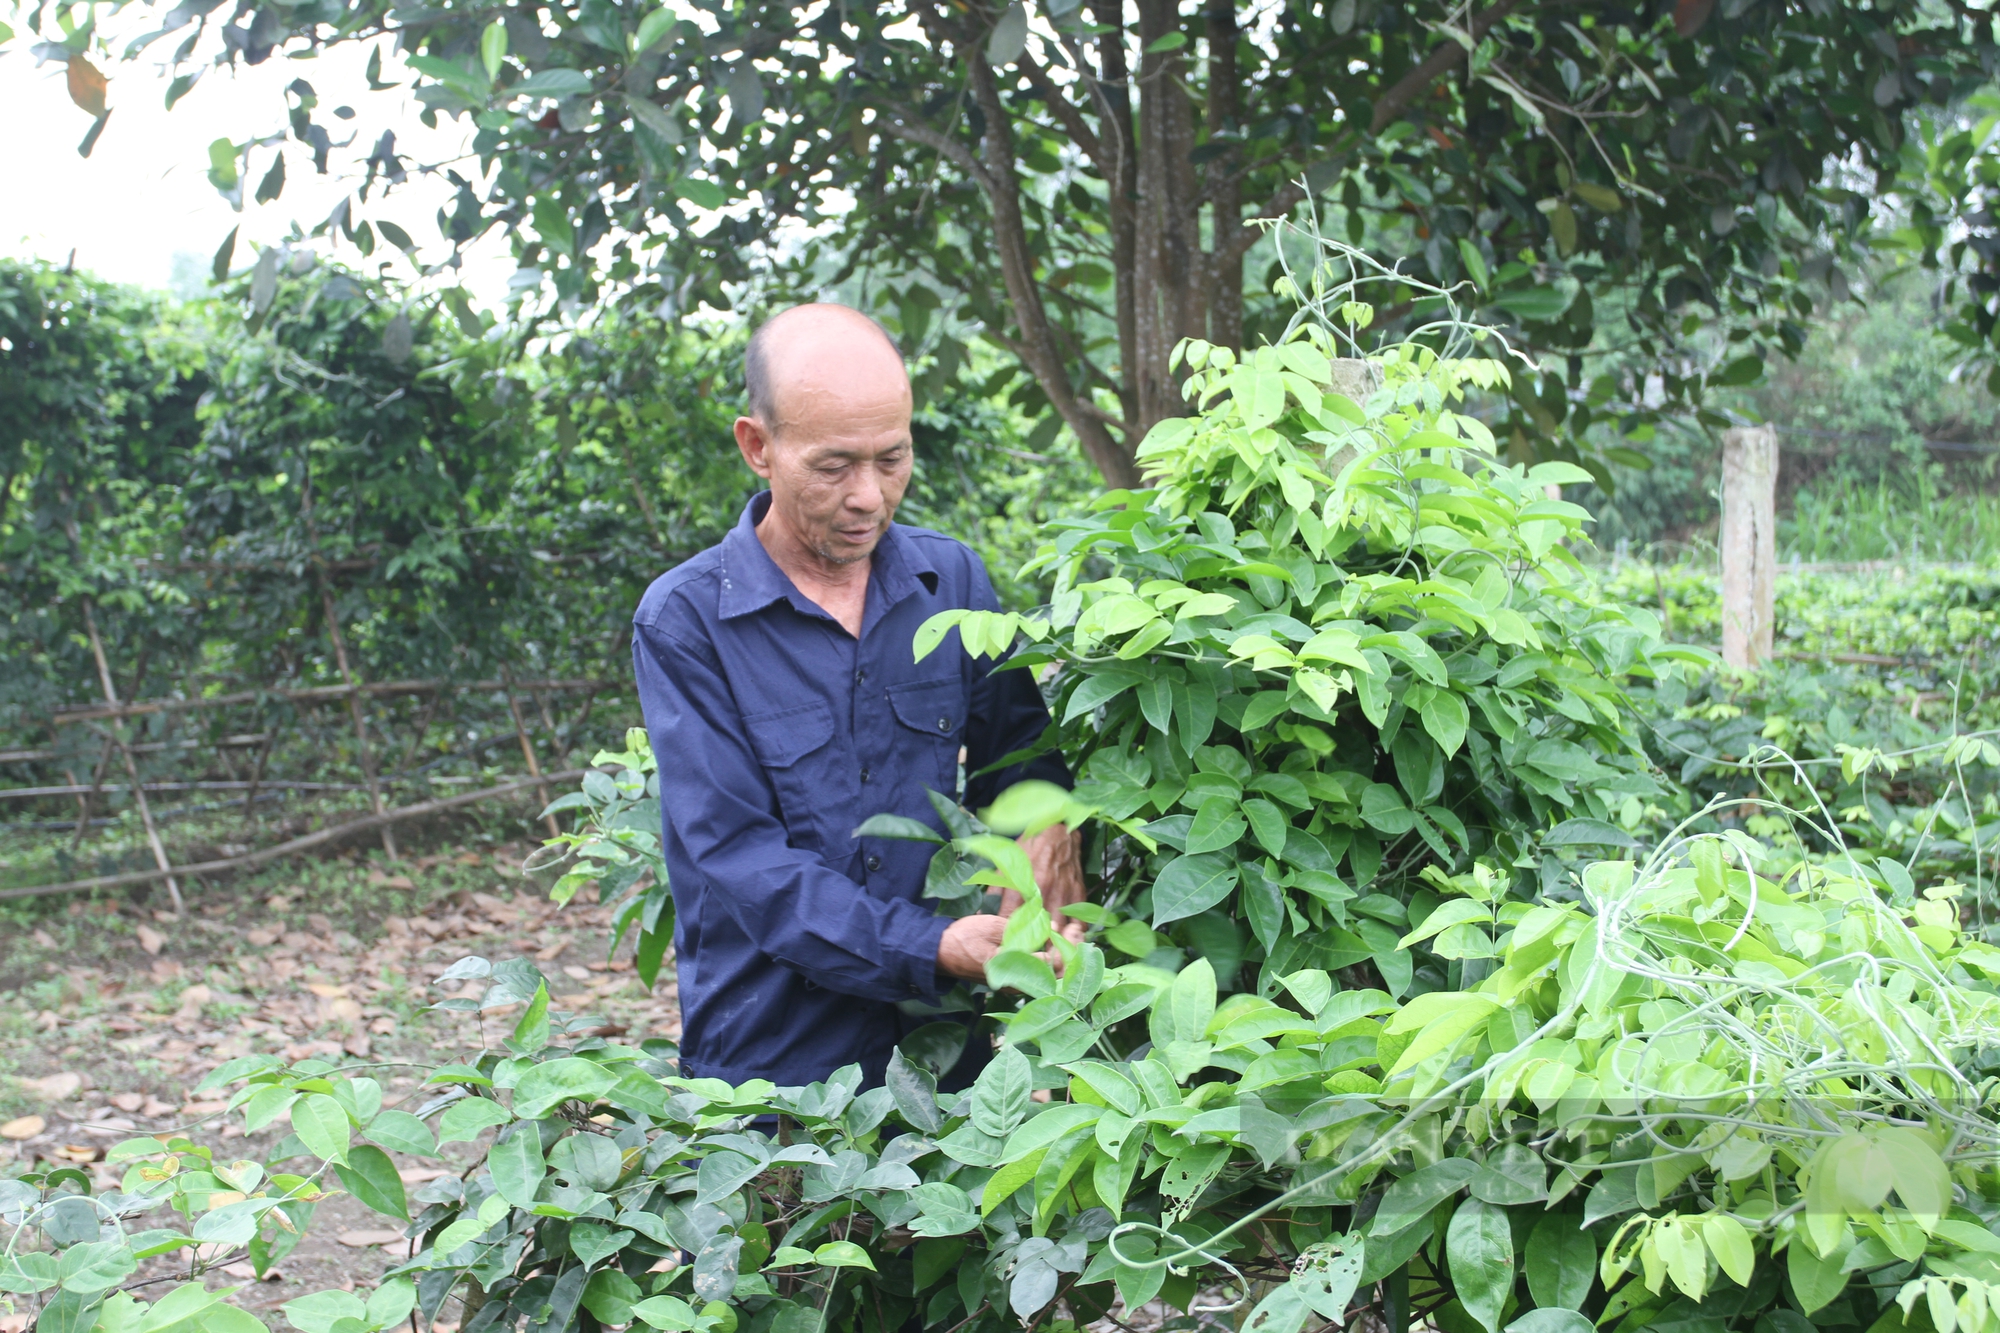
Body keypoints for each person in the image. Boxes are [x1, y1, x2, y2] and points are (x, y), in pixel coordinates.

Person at [630, 303, 1085, 1091]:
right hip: (775, 1073)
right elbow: (746, 863)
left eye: (892, 459)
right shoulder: (687, 622)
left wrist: (1048, 826)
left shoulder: (952, 584)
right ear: (758, 447)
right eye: (835, 466)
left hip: (945, 1055)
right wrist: (934, 948)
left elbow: (1021, 754)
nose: (870, 496)